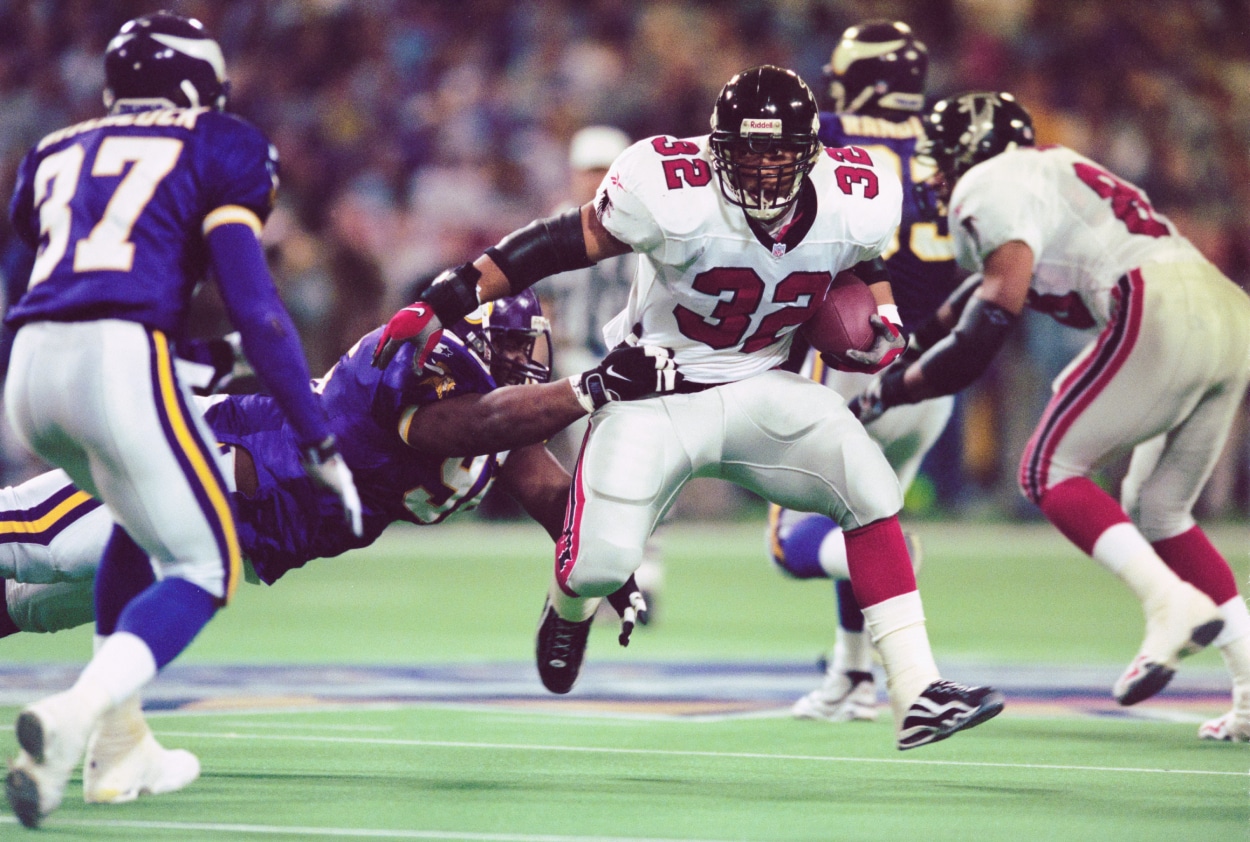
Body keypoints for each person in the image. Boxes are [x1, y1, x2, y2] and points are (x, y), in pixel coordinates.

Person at [372, 65, 1005, 751]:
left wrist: (880, 314)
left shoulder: (857, 195)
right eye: (747, 152)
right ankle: (567, 609)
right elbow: (562, 241)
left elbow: (862, 255)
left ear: (811, 154)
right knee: (601, 564)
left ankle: (916, 692)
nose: (763, 171)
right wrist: (449, 296)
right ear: (716, 148)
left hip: (763, 386)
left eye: (780, 153)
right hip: (655, 391)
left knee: (870, 486)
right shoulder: (671, 187)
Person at [0, 288, 682, 805]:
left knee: (34, 605)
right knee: (37, 542)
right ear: (470, 336)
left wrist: (607, 557)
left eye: (528, 347)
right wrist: (588, 390)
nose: (524, 361)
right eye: (509, 346)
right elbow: (454, 428)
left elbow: (550, 494)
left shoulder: (503, 426)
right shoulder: (427, 363)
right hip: (214, 466)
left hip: (268, 535)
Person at [2, 13, 363, 828]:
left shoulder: (52, 150)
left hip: (29, 369)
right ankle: (74, 718)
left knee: (136, 518)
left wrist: (192, 359)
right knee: (205, 567)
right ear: (201, 83)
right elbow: (256, 303)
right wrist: (315, 434)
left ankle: (119, 748)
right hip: (115, 361)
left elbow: (42, 284)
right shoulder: (220, 142)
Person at [850, 91, 1250, 742]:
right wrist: (904, 361)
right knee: (1163, 510)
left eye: (947, 158)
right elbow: (966, 305)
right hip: (1227, 311)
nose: (940, 174)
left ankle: (1168, 602)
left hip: (1155, 300)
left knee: (1046, 467)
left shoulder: (989, 182)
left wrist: (892, 392)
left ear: (973, 151)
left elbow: (986, 329)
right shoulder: (1045, 173)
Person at [764, 20, 965, 723]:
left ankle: (889, 566)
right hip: (933, 377)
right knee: (859, 509)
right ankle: (851, 674)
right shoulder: (951, 141)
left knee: (793, 541)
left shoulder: (824, 130)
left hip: (853, 361)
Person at [532, 124, 664, 620]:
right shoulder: (556, 225)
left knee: (641, 468)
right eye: (588, 170)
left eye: (603, 170)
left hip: (635, 365)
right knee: (591, 474)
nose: (594, 180)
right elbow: (539, 301)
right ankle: (602, 573)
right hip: (573, 362)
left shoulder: (650, 224)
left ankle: (637, 571)